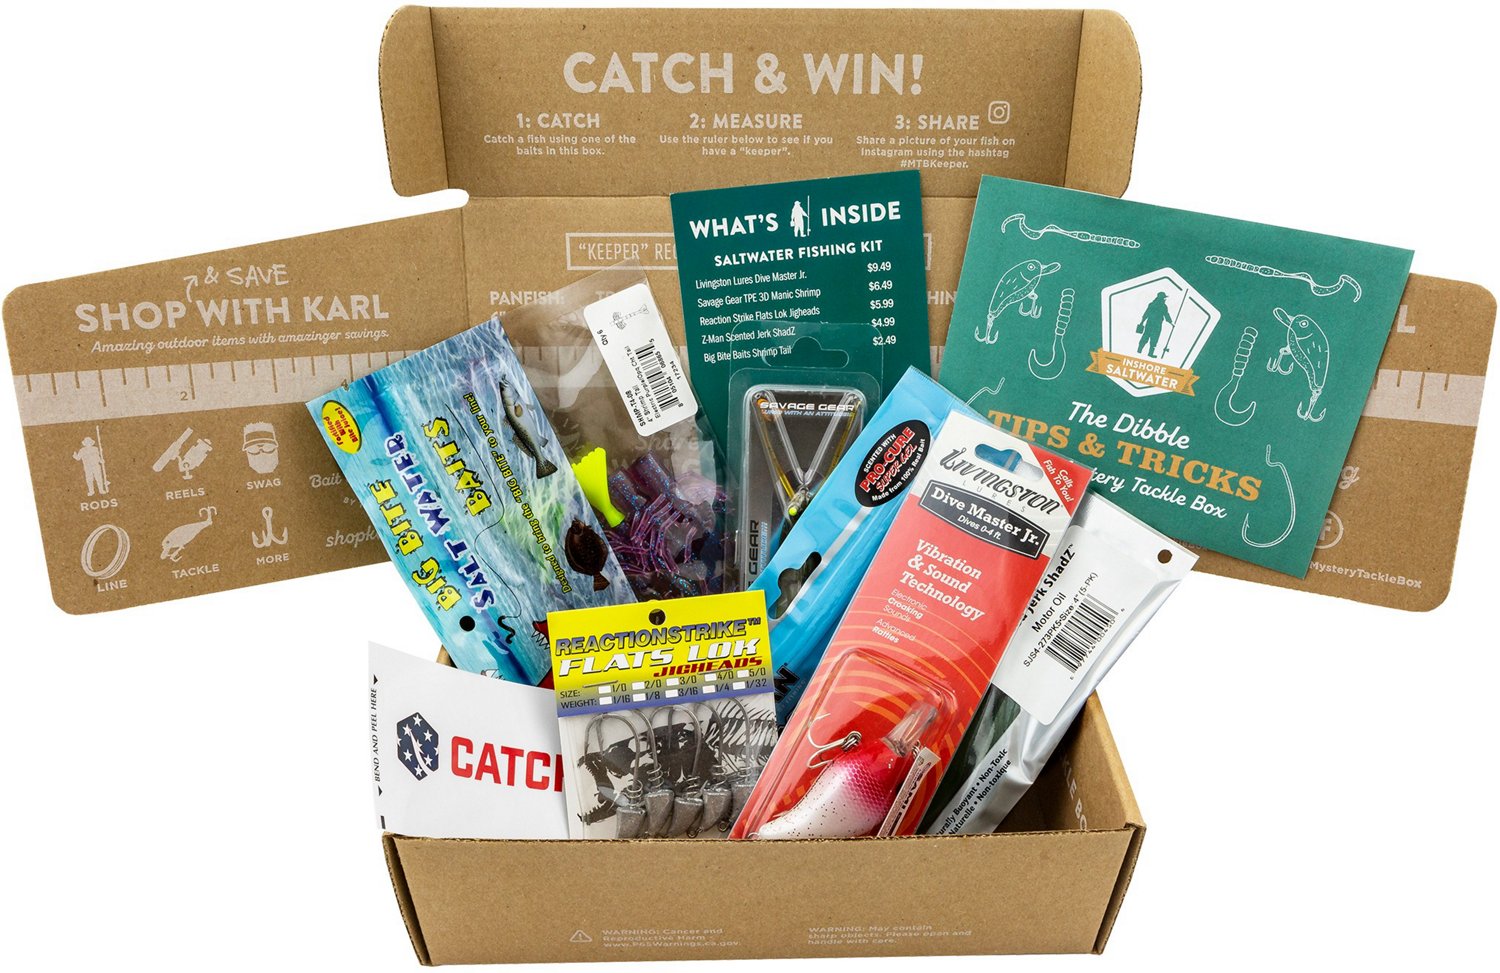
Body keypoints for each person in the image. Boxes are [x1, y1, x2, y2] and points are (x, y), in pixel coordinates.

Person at [1136, 291, 1173, 357]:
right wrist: (1171, 322)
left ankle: (1139, 350)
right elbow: (1166, 315)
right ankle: (1149, 353)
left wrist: (1142, 322)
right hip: (1157, 325)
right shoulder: (1163, 306)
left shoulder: (1152, 304)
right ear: (1161, 298)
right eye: (1164, 298)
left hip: (1150, 324)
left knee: (1146, 336)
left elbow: (1146, 314)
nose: (1164, 299)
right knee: (1154, 339)